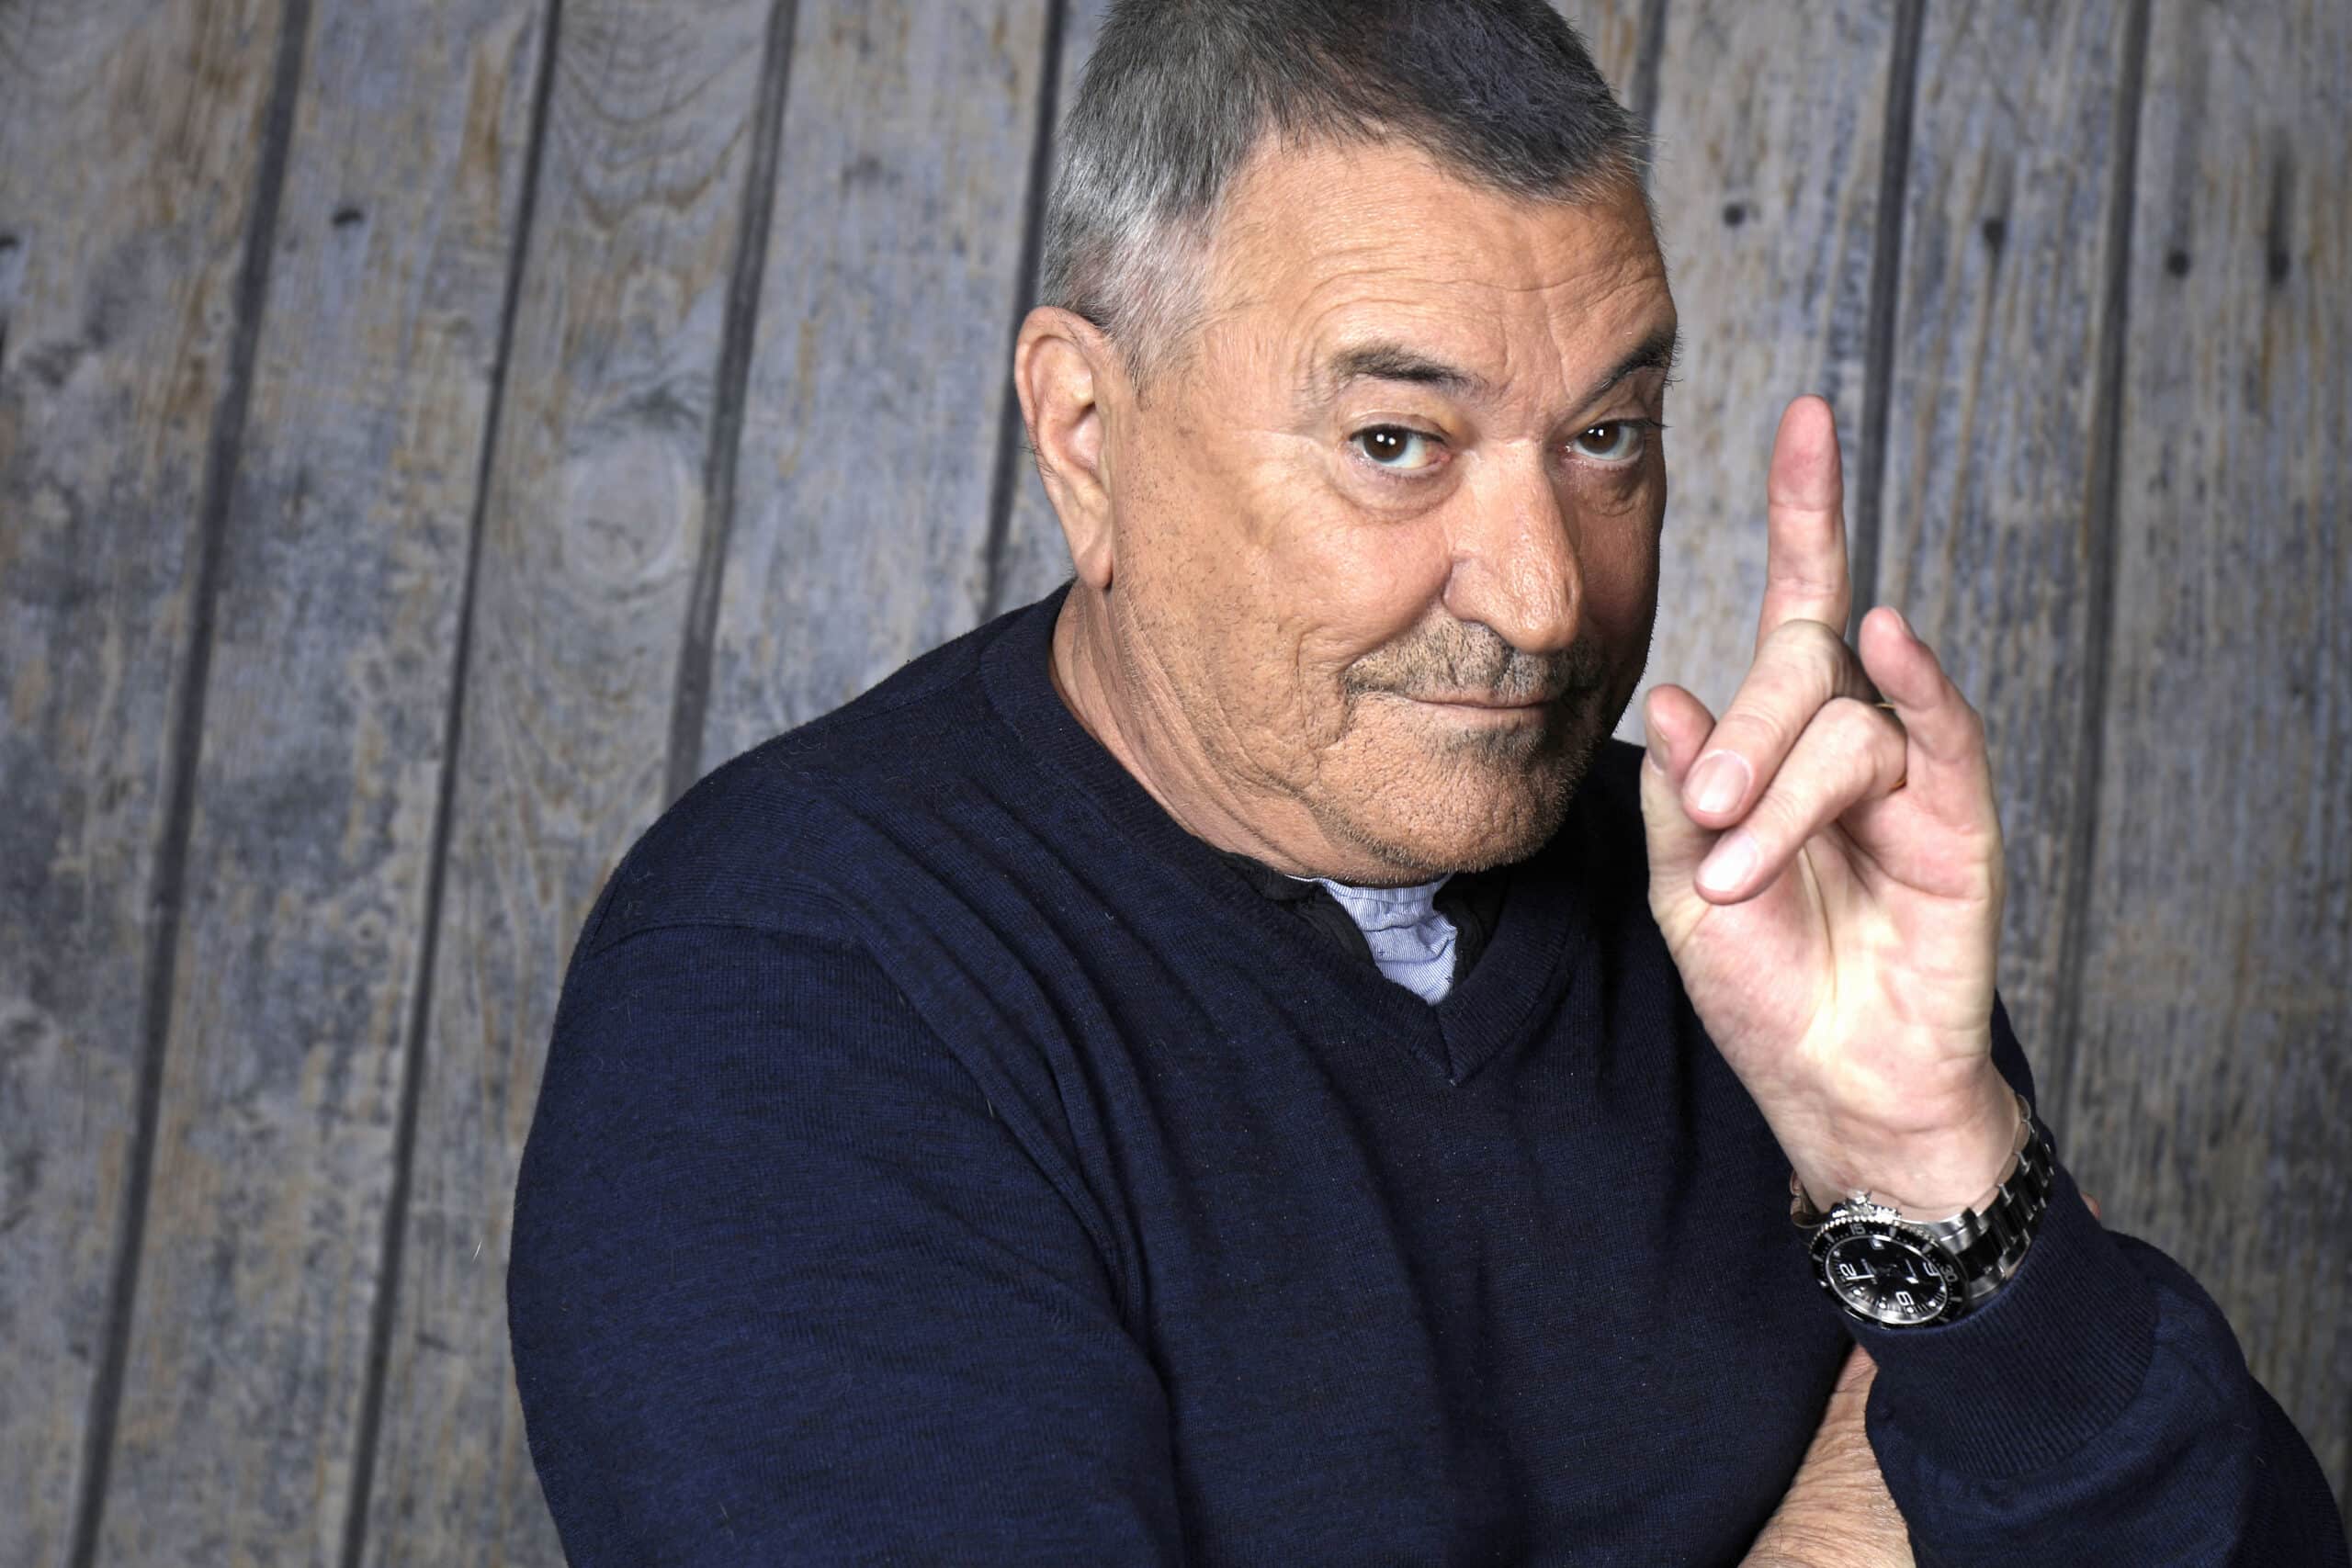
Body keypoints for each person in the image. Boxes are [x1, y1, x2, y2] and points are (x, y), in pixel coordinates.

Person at [505, 2, 2350, 1562]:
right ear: (1085, 435)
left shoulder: (1771, 934)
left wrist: (1936, 1181)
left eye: (1605, 435)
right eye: (1397, 441)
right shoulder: (788, 996)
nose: (1544, 599)